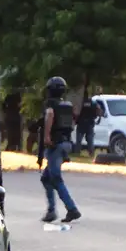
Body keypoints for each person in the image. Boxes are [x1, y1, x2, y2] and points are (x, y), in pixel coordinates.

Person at [40, 76, 82, 223]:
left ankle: (72, 209)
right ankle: (51, 211)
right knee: (46, 178)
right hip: (66, 144)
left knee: (55, 178)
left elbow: (50, 115)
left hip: (55, 145)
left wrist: (46, 136)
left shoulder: (51, 104)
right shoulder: (67, 105)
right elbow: (73, 122)